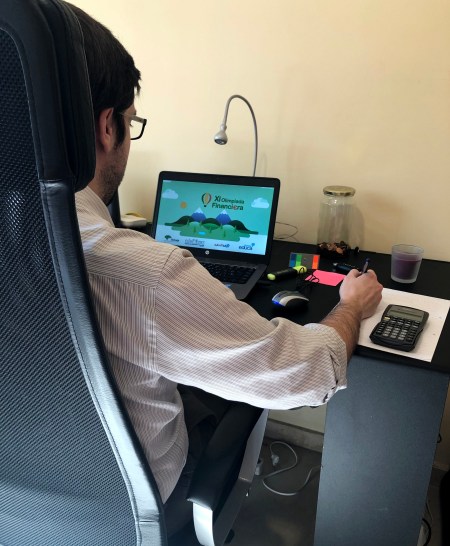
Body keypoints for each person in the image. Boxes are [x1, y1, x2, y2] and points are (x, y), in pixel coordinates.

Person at [67, 2, 383, 536]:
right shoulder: (145, 274)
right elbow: (306, 373)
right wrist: (350, 308)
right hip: (133, 509)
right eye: (131, 123)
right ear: (107, 126)